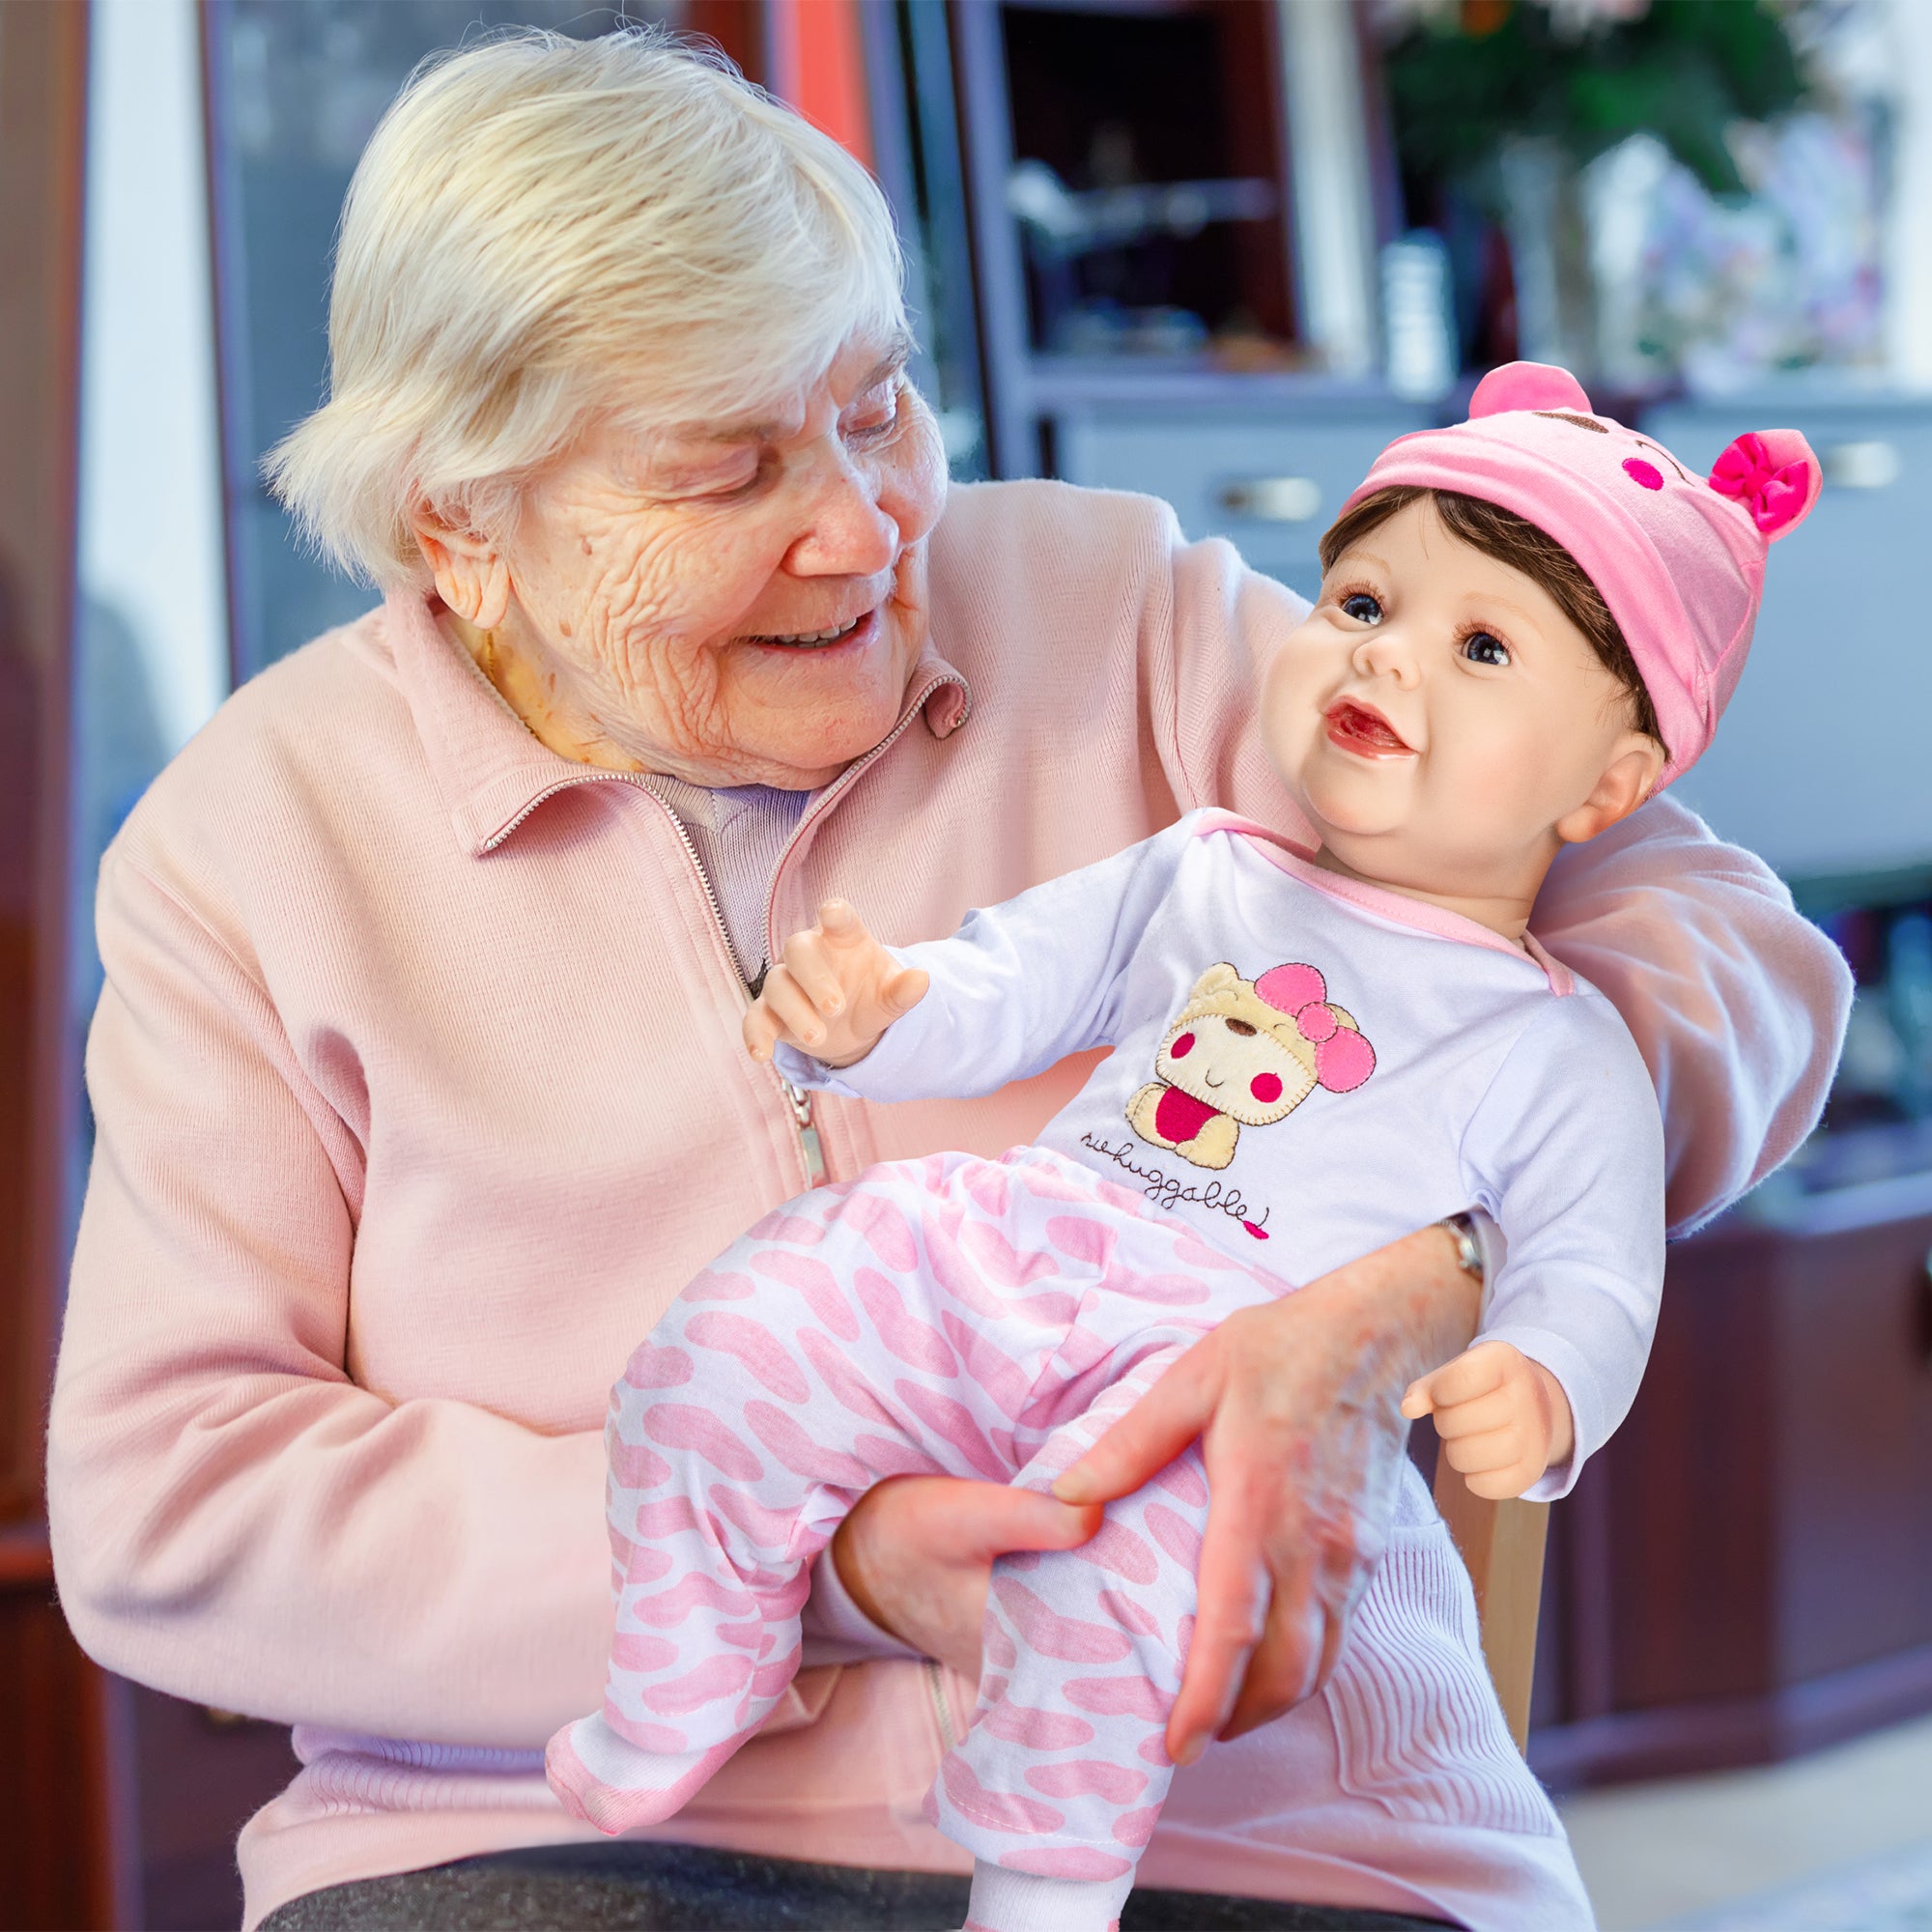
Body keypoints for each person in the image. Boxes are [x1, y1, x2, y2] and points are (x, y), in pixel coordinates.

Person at [44, 29, 1849, 1932]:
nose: (864, 522)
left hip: (1246, 1818)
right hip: (544, 1832)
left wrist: (1440, 1262)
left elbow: (1728, 957)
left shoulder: (1120, 616)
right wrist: (818, 1552)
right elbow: (183, 1504)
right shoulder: (252, 843)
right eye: (729, 466)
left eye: (877, 403)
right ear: (461, 523)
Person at [547, 369, 1820, 1932]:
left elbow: (1594, 1270)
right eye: (1363, 599)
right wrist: (885, 1015)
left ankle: (1042, 1893)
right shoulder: (1208, 871)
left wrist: (1544, 1380)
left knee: (1134, 1590)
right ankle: (692, 1671)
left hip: (1214, 1383)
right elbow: (1020, 981)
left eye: (1482, 650)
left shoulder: (1560, 1050)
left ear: (1610, 786)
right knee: (736, 1335)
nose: (1386, 656)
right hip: (1010, 1244)